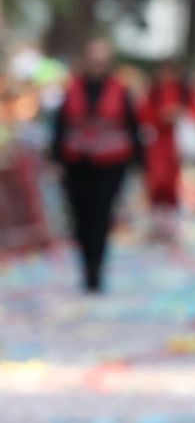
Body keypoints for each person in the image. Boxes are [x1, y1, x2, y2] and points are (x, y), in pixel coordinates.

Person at [46, 37, 144, 293]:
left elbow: (133, 129)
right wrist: (55, 160)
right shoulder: (71, 89)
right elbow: (60, 126)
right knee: (79, 219)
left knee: (100, 216)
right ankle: (86, 263)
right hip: (76, 164)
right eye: (93, 59)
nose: (97, 64)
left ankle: (95, 271)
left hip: (110, 166)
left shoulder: (120, 91)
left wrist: (138, 164)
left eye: (102, 59)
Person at [138, 61, 195, 245]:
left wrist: (181, 113)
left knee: (175, 185)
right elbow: (145, 115)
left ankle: (172, 226)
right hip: (158, 144)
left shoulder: (185, 93)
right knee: (157, 184)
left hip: (178, 145)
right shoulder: (154, 93)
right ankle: (159, 225)